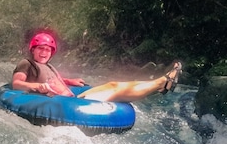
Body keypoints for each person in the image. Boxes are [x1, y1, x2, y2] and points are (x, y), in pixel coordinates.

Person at [12, 32, 182, 102]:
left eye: (48, 49)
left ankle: (160, 83)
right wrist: (38, 87)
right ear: (33, 50)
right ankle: (161, 83)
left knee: (112, 84)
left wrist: (69, 81)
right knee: (115, 88)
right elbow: (17, 83)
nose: (44, 52)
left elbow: (50, 80)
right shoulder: (26, 63)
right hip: (64, 104)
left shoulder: (47, 66)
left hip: (70, 99)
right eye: (41, 49)